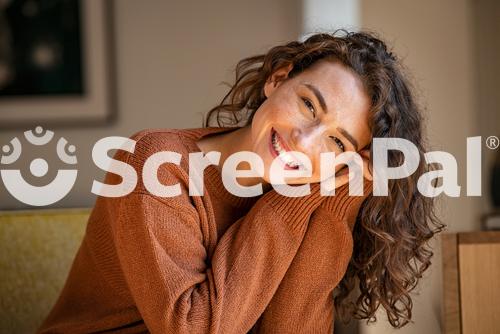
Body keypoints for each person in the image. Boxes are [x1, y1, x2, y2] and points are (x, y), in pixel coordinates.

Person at [38, 30, 442, 333]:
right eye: (307, 104)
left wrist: (337, 194)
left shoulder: (307, 192)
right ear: (277, 79)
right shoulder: (157, 165)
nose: (303, 141)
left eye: (337, 141)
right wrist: (303, 191)